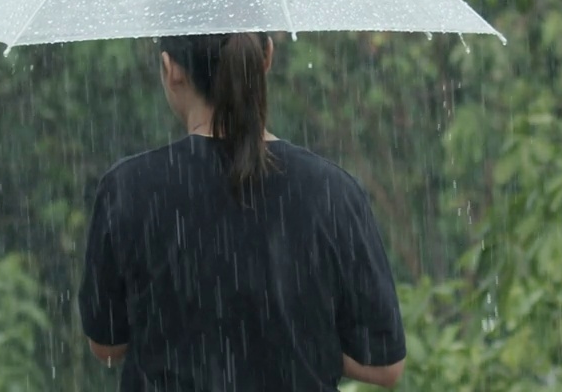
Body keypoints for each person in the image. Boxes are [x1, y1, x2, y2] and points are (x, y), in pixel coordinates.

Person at [78, 30, 407, 390]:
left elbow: (106, 344)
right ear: (266, 56)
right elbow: (384, 365)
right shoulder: (332, 192)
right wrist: (292, 343)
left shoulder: (128, 189)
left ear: (171, 69)